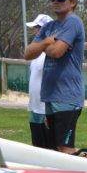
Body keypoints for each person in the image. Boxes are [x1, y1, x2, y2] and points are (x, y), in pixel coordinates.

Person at [24, 0, 85, 153]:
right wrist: (46, 42)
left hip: (67, 96)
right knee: (53, 149)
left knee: (65, 148)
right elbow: (28, 53)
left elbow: (57, 52)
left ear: (73, 2)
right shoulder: (49, 27)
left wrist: (43, 47)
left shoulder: (73, 22)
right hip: (50, 96)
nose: (55, 1)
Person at [25, 13, 53, 148]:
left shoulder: (52, 52)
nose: (35, 31)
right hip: (34, 106)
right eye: (36, 28)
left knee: (49, 146)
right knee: (36, 145)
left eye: (38, 28)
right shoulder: (36, 53)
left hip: (46, 108)